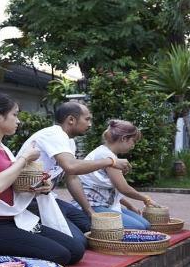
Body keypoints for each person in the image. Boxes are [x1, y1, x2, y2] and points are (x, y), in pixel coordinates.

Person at [0, 92, 84, 266]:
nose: (18, 120)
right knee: (60, 256)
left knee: (75, 250)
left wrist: (41, 185)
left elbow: (15, 183)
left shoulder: (3, 148)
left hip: (14, 219)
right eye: (15, 114)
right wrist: (24, 159)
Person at [17, 102, 132, 245]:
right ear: (71, 120)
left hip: (47, 198)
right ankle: (27, 233)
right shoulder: (54, 134)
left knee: (90, 227)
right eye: (87, 119)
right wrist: (111, 161)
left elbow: (72, 179)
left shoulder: (69, 142)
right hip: (27, 201)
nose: (90, 124)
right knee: (79, 242)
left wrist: (90, 211)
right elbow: (71, 166)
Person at [79, 120, 163, 230]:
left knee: (145, 224)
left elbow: (113, 190)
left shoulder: (107, 153)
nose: (133, 145)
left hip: (105, 204)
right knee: (138, 227)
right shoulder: (108, 156)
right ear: (124, 138)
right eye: (133, 141)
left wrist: (129, 205)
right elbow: (123, 188)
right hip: (92, 206)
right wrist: (146, 199)